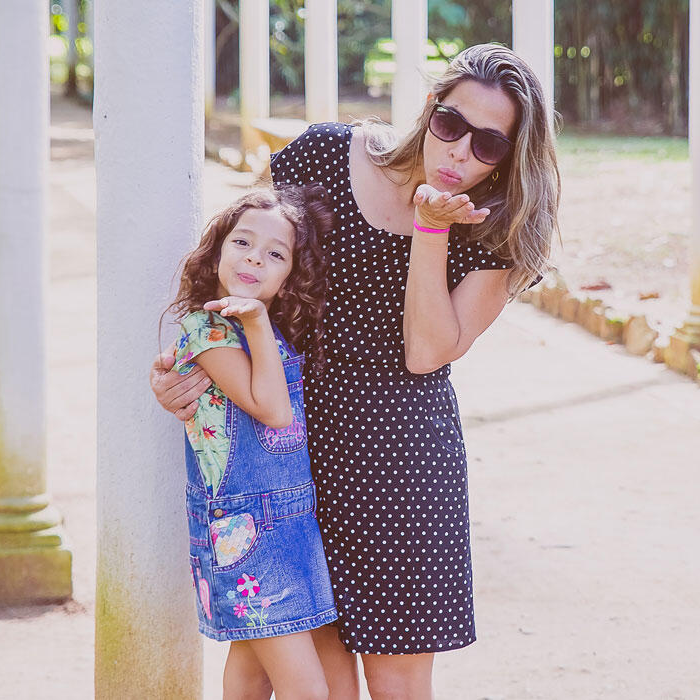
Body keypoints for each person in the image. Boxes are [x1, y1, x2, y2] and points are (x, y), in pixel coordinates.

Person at [152, 43, 559, 699]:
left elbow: (426, 352)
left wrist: (431, 228)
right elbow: (244, 271)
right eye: (451, 124)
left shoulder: (496, 228)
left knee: (397, 683)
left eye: (487, 144)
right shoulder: (321, 157)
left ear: (508, 157)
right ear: (429, 108)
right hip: (290, 456)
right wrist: (184, 372)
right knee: (309, 676)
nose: (459, 151)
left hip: (400, 469)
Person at [167, 185, 338, 700]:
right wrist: (258, 321)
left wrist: (262, 324)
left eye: (275, 254)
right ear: (217, 251)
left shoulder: (268, 332)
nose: (254, 258)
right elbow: (273, 410)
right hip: (246, 531)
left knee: (252, 672)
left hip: (291, 523)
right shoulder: (207, 331)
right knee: (307, 690)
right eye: (242, 242)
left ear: (288, 280)